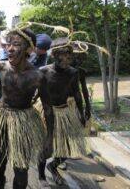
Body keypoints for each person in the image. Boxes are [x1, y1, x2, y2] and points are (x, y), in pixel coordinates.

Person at [0, 28, 47, 189]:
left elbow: (47, 108)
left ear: (29, 49)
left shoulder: (38, 76)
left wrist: (49, 139)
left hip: (24, 122)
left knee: (21, 171)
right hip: (1, 119)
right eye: (8, 44)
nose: (10, 48)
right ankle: (0, 180)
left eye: (16, 44)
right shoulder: (1, 67)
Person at [37, 37, 87, 187]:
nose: (66, 60)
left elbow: (77, 94)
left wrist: (81, 112)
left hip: (64, 111)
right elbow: (36, 93)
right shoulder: (43, 71)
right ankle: (41, 177)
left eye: (69, 56)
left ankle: (53, 166)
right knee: (46, 147)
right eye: (62, 56)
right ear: (53, 55)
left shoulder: (73, 73)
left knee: (68, 147)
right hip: (46, 112)